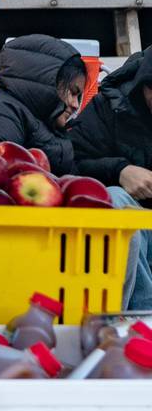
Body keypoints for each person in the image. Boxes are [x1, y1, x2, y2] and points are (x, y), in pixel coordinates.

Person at [72, 46, 152, 310]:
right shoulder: (110, 105)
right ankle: (137, 316)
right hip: (129, 229)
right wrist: (119, 170)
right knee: (119, 203)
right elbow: (70, 165)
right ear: (145, 87)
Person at [0, 35, 85, 174]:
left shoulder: (42, 117)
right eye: (72, 92)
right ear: (48, 82)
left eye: (78, 96)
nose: (76, 104)